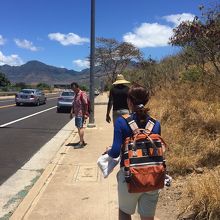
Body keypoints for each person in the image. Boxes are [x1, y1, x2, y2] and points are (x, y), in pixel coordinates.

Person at [107, 84, 161, 220]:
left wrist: (108, 150)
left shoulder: (121, 122)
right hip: (153, 177)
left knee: (125, 212)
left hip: (129, 176)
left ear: (129, 101)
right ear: (147, 100)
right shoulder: (156, 124)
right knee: (148, 216)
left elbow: (114, 153)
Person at [70, 82, 89, 148]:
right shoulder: (76, 94)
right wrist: (71, 112)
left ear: (78, 87)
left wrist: (86, 114)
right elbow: (74, 104)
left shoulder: (82, 94)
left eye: (74, 88)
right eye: (72, 89)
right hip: (77, 114)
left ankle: (81, 143)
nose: (73, 90)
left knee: (80, 127)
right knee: (78, 127)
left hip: (81, 114)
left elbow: (86, 104)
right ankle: (82, 141)